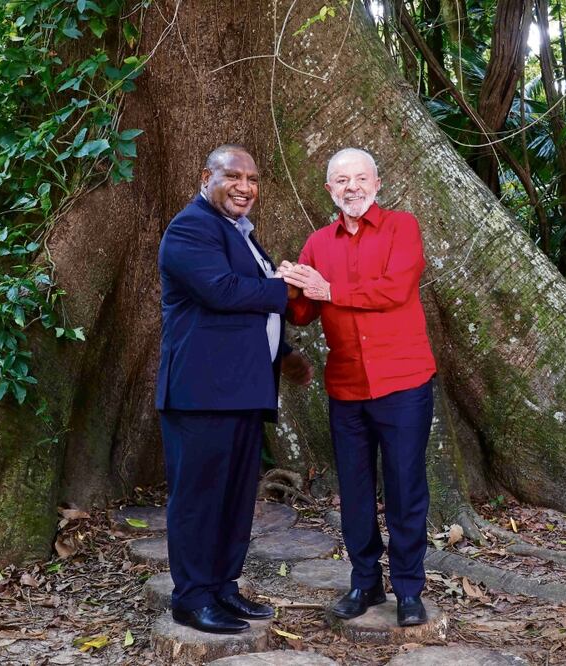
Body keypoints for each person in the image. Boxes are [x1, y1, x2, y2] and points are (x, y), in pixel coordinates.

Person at [156, 144, 312, 634]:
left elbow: (251, 310)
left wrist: (282, 354)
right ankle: (192, 597)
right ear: (207, 177)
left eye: (254, 179)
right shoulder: (191, 226)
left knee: (234, 498)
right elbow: (220, 291)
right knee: (200, 497)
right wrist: (285, 289)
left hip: (242, 391)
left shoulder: (242, 234)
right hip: (202, 394)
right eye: (234, 177)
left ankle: (223, 587)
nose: (245, 187)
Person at [281, 148, 436, 627]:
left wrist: (330, 291)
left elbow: (395, 289)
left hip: (403, 381)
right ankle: (365, 581)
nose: (352, 187)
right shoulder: (317, 243)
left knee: (405, 487)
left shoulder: (401, 227)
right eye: (341, 180)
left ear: (377, 183)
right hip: (347, 386)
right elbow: (304, 314)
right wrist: (290, 285)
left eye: (360, 178)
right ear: (330, 190)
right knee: (354, 489)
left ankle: (409, 589)